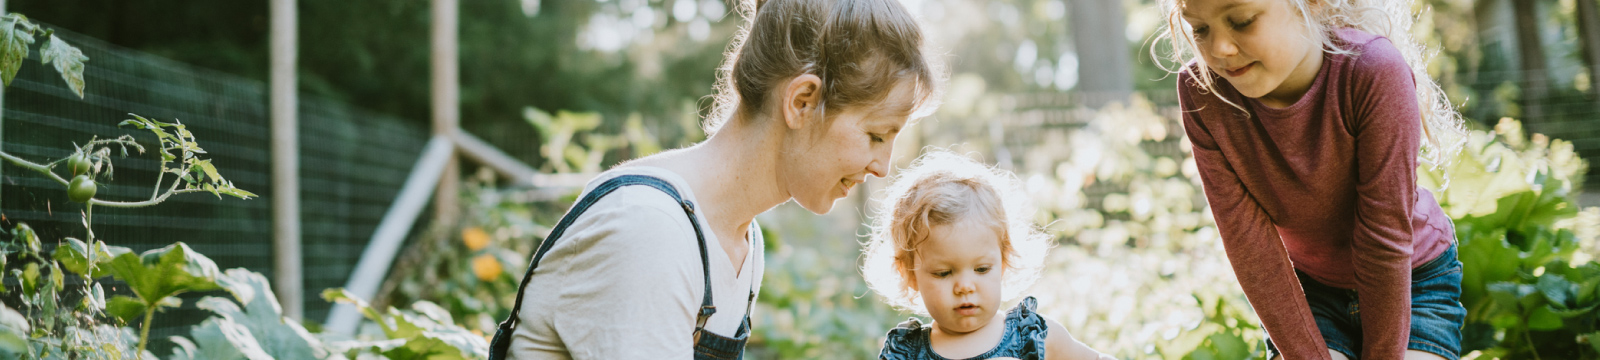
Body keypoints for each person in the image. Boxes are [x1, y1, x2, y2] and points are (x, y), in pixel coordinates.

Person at [494, 0, 942, 357]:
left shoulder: (739, 241)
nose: (883, 166)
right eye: (876, 135)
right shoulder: (650, 231)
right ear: (803, 102)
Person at [1156, 0, 1469, 358]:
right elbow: (1250, 247)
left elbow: (1383, 238)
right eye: (1200, 30)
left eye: (1241, 22)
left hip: (1413, 282)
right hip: (1312, 292)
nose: (1219, 49)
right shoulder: (1202, 92)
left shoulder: (1372, 70)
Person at [861, 151, 1115, 360]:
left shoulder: (1032, 337)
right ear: (910, 275)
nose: (965, 286)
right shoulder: (907, 353)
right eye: (943, 273)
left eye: (981, 269)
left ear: (1003, 263)